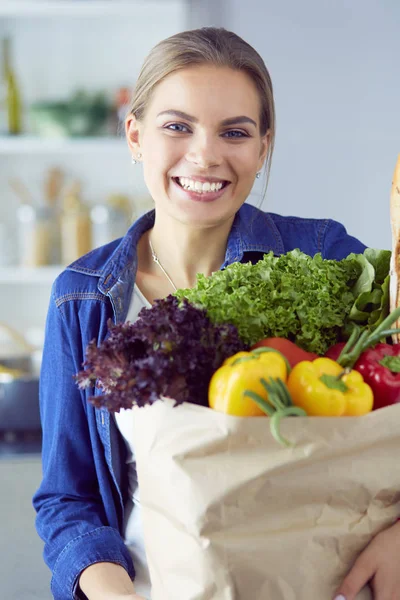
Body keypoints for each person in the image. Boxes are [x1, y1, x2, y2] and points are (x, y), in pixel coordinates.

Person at [33, 27, 400, 600]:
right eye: (177, 126)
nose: (205, 154)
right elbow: (68, 496)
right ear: (135, 135)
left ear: (263, 147)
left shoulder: (328, 258)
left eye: (235, 132)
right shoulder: (80, 298)